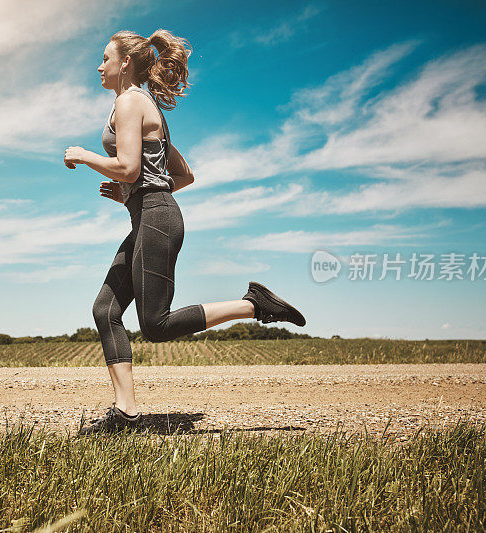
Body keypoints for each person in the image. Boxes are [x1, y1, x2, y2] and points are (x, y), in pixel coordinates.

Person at [63, 29, 306, 435]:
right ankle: (126, 414)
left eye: (105, 57)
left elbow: (129, 168)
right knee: (105, 311)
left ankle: (254, 304)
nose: (99, 65)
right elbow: (182, 174)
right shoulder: (141, 104)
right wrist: (129, 196)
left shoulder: (129, 101)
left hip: (157, 218)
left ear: (125, 63)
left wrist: (86, 156)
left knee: (155, 325)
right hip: (148, 215)